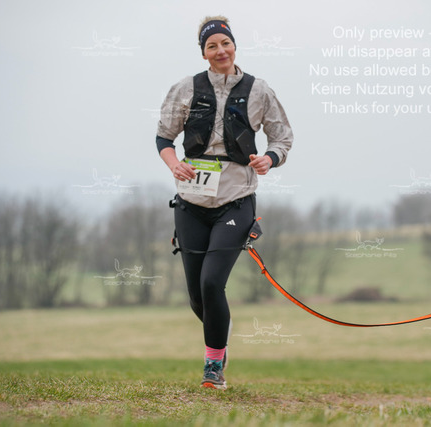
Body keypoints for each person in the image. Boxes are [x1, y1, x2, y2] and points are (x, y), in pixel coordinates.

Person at [155, 15, 293, 390]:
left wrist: (270, 159)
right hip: (191, 202)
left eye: (225, 43)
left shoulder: (259, 90)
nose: (220, 51)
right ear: (203, 52)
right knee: (198, 297)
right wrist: (174, 164)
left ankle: (213, 367)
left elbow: (282, 138)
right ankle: (220, 334)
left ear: (234, 46)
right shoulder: (185, 88)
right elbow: (164, 138)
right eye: (212, 46)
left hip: (236, 200)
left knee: (213, 283)